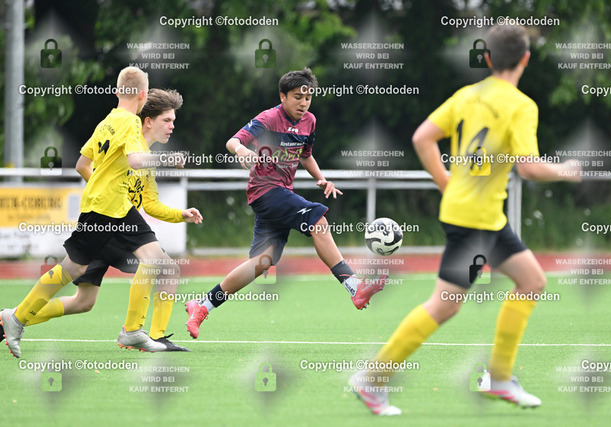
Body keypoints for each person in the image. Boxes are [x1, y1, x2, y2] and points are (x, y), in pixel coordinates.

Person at [349, 25, 582, 415]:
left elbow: (423, 137)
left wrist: (447, 184)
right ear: (525, 59)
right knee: (444, 305)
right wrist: (566, 170)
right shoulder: (522, 105)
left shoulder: (467, 95)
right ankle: (373, 378)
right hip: (476, 222)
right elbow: (528, 167)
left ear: (487, 59)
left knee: (531, 281)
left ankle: (499, 377)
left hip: (482, 218)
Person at [185, 67, 388, 338]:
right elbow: (232, 141)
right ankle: (354, 287)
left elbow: (306, 154)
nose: (303, 103)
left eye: (308, 98)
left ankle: (202, 305)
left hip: (277, 196)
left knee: (262, 262)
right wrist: (242, 149)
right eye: (297, 97)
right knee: (318, 220)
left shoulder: (309, 121)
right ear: (283, 96)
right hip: (265, 192)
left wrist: (321, 179)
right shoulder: (269, 118)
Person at [1, 67, 185, 358]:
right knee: (71, 270)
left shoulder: (107, 122)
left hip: (116, 208)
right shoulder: (130, 122)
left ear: (117, 92)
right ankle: (17, 317)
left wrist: (103, 186)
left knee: (157, 262)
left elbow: (82, 164)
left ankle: (133, 331)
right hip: (104, 209)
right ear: (142, 95)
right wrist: (169, 159)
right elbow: (136, 161)